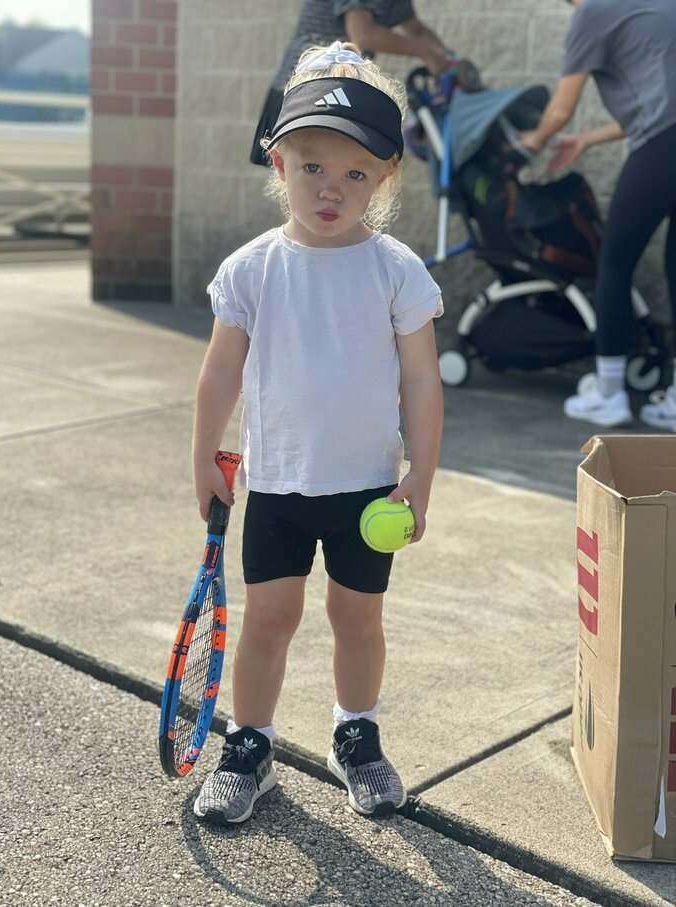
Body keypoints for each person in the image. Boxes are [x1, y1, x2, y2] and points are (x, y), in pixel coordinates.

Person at [192, 41, 444, 824]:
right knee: (268, 619)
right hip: (276, 484)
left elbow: (421, 380)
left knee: (357, 619)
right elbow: (221, 371)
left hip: (367, 487)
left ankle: (355, 736)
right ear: (278, 162)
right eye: (311, 167)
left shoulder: (396, 270)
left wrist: (422, 472)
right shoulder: (251, 269)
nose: (331, 188)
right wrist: (202, 455)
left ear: (386, 177)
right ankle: (250, 745)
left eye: (355, 174)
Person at [520, 0, 676, 430]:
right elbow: (661, 99)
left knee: (615, 262)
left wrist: (529, 146)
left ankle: (609, 394)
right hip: (667, 138)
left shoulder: (593, 12)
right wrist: (588, 139)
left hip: (664, 146)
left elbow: (559, 110)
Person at [250, 0, 451, 165]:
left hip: (339, 90)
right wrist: (427, 53)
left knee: (331, 178)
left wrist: (451, 61)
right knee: (304, 180)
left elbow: (416, 30)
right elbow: (363, 35)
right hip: (305, 93)